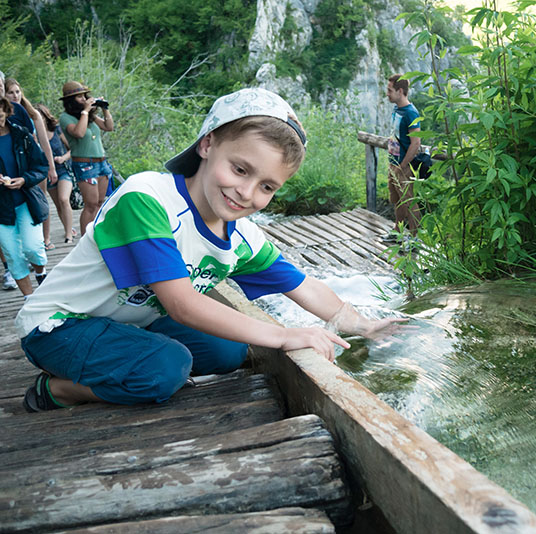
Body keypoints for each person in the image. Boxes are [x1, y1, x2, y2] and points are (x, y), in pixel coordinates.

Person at [16, 87, 405, 413]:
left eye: (267, 187)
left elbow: (305, 287)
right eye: (240, 169)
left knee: (227, 350)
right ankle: (57, 391)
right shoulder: (148, 199)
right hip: (59, 326)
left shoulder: (243, 238)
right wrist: (284, 334)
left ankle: (122, 357)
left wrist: (362, 325)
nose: (247, 194)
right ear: (207, 144)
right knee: (166, 368)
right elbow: (182, 306)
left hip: (124, 321)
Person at [0, 96, 50, 298]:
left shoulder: (21, 135)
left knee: (33, 248)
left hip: (25, 200)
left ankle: (42, 276)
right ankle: (30, 300)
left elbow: (41, 166)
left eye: (0, 112)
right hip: (2, 209)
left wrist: (24, 179)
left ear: (6, 112)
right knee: (12, 255)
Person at [5, 78, 58, 250]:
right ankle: (26, 241)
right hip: (17, 164)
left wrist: (51, 167)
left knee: (40, 199)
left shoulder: (32, 114)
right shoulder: (6, 116)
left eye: (17, 91)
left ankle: (45, 238)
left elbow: (44, 143)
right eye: (10, 92)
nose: (15, 96)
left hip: (35, 162)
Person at [58, 81, 114, 236]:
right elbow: (79, 133)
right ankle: (85, 240)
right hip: (85, 165)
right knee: (90, 205)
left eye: (84, 96)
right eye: (79, 97)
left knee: (99, 203)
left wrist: (105, 110)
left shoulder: (90, 116)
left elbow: (109, 127)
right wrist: (85, 111)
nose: (83, 99)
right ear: (70, 101)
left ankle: (96, 236)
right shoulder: (66, 118)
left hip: (101, 163)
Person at [385, 73, 426, 239]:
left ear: (400, 91)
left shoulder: (411, 113)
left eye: (389, 90)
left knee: (410, 201)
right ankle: (398, 231)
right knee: (397, 200)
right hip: (394, 162)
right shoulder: (397, 109)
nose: (387, 94)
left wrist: (402, 166)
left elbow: (415, 143)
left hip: (404, 166)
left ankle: (415, 238)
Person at [35, 103, 76, 244]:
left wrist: (62, 158)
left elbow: (73, 149)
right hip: (47, 174)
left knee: (64, 199)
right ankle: (68, 228)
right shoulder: (34, 135)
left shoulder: (57, 130)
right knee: (58, 205)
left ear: (45, 117)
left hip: (63, 169)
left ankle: (68, 235)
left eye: (40, 116)